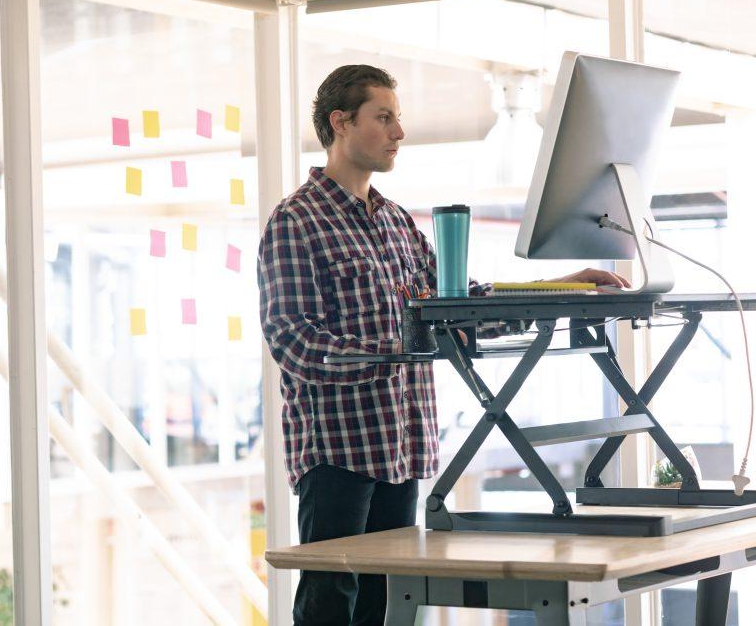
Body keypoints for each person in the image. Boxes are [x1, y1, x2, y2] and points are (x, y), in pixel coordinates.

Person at [257, 64, 628, 626]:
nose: (398, 132)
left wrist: (559, 288)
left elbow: (458, 310)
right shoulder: (296, 221)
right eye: (383, 118)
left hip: (403, 448)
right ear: (341, 123)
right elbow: (293, 340)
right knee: (330, 605)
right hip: (339, 453)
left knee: (386, 605)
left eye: (397, 118)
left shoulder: (398, 224)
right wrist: (393, 355)